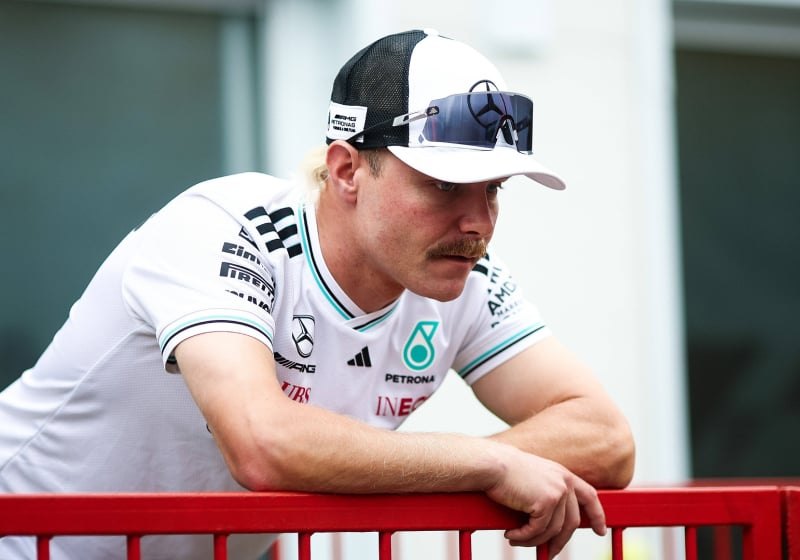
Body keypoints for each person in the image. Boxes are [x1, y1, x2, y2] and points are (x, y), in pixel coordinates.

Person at [0, 28, 634, 559]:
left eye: (494, 188)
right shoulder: (224, 226)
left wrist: (461, 464)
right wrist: (486, 465)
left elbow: (605, 439)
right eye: (445, 186)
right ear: (347, 169)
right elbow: (263, 443)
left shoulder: (462, 276)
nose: (478, 223)